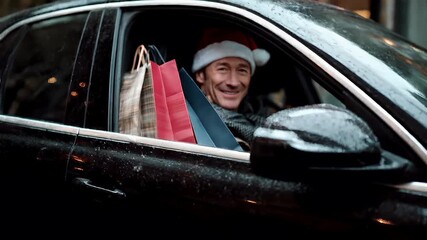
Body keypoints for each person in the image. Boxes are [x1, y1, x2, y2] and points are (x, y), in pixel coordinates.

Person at [192, 27, 271, 150]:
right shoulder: (192, 123)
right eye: (222, 69)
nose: (233, 82)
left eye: (242, 70)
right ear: (200, 75)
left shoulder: (260, 115)